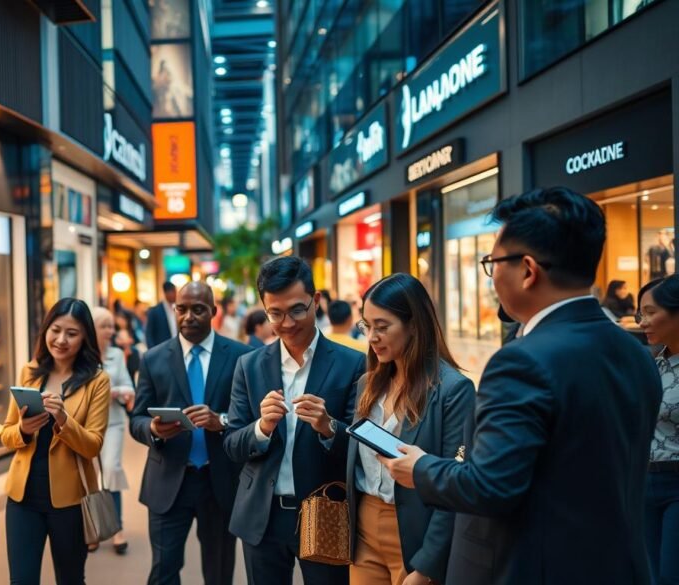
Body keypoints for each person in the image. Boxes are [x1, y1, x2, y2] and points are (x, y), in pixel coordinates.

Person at [381, 187, 663, 584]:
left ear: (528, 270)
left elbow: (492, 486)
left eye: (492, 262)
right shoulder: (634, 351)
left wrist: (420, 468)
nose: (491, 275)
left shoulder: (522, 361)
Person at [224, 256, 366, 585]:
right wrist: (261, 428)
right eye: (275, 313)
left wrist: (329, 428)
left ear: (316, 301)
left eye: (297, 309)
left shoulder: (352, 364)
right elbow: (232, 443)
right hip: (263, 515)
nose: (287, 322)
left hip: (325, 511)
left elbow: (362, 445)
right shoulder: (249, 365)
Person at [328, 274, 474, 585]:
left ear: (414, 325)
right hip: (364, 529)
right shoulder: (369, 383)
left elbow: (454, 485)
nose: (372, 337)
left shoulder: (453, 390)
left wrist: (427, 566)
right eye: (367, 327)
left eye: (382, 327)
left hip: (415, 533)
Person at [130, 282, 252, 585]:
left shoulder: (241, 356)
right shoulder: (154, 358)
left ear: (213, 311)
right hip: (169, 480)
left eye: (198, 309)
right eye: (181, 309)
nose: (188, 316)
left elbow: (250, 418)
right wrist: (154, 429)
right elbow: (136, 419)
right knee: (163, 571)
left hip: (220, 481)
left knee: (220, 572)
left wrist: (220, 420)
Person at [0, 298, 111, 585]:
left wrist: (64, 420)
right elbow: (6, 434)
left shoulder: (97, 381)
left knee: (71, 579)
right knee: (21, 580)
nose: (61, 340)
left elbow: (93, 445)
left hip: (70, 501)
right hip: (23, 498)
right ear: (45, 330)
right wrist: (23, 430)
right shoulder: (30, 371)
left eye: (72, 334)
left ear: (85, 336)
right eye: (55, 330)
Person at [637, 276, 679, 584]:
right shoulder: (651, 362)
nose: (642, 322)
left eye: (650, 312)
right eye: (640, 314)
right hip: (642, 482)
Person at [92, 306, 135, 554]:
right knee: (92, 477)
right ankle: (96, 528)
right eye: (104, 326)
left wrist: (118, 392)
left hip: (114, 422)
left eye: (111, 326)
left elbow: (128, 386)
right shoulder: (81, 356)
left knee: (111, 470)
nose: (110, 331)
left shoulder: (117, 355)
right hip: (87, 425)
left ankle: (117, 528)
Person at [145, 282, 178, 348]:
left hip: (176, 347)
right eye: (174, 292)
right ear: (167, 293)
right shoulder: (154, 311)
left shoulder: (177, 309)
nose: (176, 295)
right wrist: (153, 352)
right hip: (161, 348)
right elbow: (149, 334)